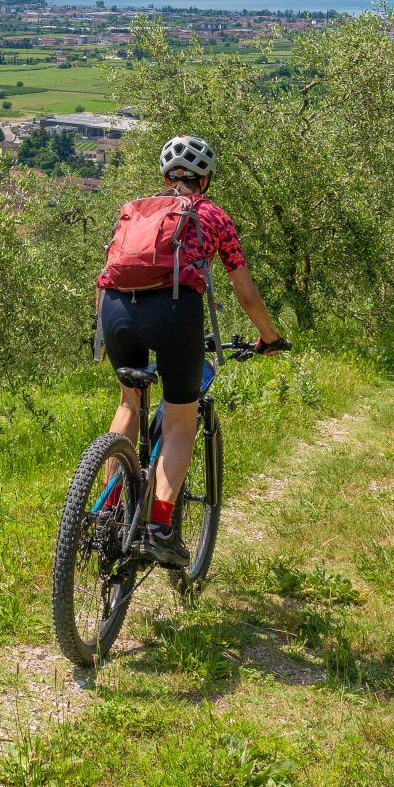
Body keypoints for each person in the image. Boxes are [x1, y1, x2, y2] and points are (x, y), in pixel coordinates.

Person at [96, 134, 286, 568]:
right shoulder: (213, 215)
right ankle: (160, 524)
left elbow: (104, 274)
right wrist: (270, 337)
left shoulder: (135, 210)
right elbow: (246, 294)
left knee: (130, 401)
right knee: (181, 418)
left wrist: (102, 332)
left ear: (165, 177)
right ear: (207, 178)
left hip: (116, 310)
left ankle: (106, 512)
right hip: (174, 312)